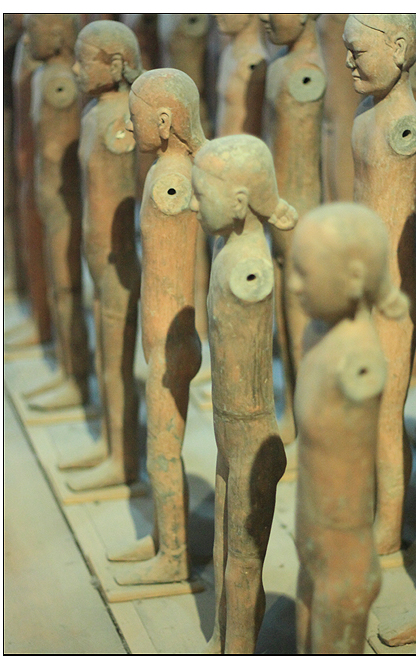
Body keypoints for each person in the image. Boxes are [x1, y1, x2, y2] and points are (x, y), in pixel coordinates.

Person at [190, 134, 297, 654]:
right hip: (230, 433)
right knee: (223, 549)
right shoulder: (226, 245)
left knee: (242, 562)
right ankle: (224, 640)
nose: (192, 205)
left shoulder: (249, 266)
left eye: (201, 195)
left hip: (252, 440)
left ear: (237, 203)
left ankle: (237, 651)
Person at [291, 202, 409, 654]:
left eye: (304, 272)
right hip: (312, 537)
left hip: (343, 562)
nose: (293, 284)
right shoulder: (317, 333)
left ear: (355, 279)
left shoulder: (360, 361)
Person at [110, 69, 206, 585]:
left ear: (165, 121)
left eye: (136, 117)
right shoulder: (164, 171)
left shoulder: (175, 178)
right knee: (160, 450)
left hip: (172, 343)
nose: (128, 126)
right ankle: (164, 536)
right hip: (164, 338)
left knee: (163, 452)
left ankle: (174, 557)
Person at [345, 14, 416, 556]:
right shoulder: (367, 110)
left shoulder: (405, 124)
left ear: (399, 48)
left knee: (384, 414)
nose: (348, 62)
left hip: (394, 295)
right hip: (368, 288)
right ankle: (374, 504)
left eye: (358, 51)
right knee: (368, 406)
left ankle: (389, 524)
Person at [63, 20, 143, 490]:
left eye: (83, 61)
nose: (74, 70)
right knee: (105, 360)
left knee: (116, 365)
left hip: (116, 263)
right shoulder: (96, 111)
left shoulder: (119, 121)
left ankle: (124, 459)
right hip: (98, 257)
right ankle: (111, 444)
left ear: (115, 65)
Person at [258, 14, 325, 455]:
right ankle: (294, 416)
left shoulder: (308, 71)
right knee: (284, 324)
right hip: (281, 207)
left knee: (302, 330)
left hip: (299, 212)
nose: (264, 16)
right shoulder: (281, 65)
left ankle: (312, 431)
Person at [24, 14, 90, 411]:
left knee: (67, 289)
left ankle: (77, 376)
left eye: (33, 32)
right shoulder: (44, 76)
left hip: (65, 205)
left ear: (56, 36)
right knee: (58, 286)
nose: (26, 40)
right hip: (50, 200)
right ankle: (67, 368)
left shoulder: (60, 81)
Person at [214, 14, 267, 138]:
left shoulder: (254, 63)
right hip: (222, 146)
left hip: (240, 148)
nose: (215, 14)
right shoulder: (229, 52)